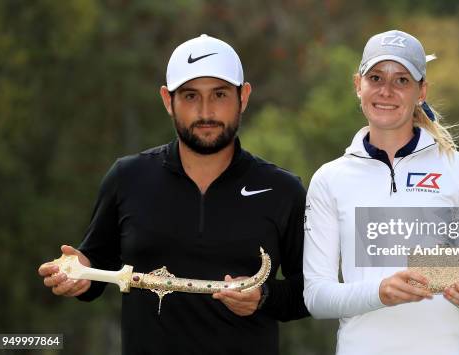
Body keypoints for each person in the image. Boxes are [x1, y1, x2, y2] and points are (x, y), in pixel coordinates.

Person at [38, 34, 309, 354]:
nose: (205, 111)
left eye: (220, 94)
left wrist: (263, 298)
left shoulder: (282, 189)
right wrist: (78, 272)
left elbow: (310, 293)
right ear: (168, 100)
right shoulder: (127, 177)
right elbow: (96, 269)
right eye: (191, 96)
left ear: (243, 96)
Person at [303, 30, 459, 355]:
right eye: (376, 78)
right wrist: (380, 292)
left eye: (402, 80)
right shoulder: (328, 180)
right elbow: (317, 296)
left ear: (421, 91)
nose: (386, 91)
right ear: (358, 85)